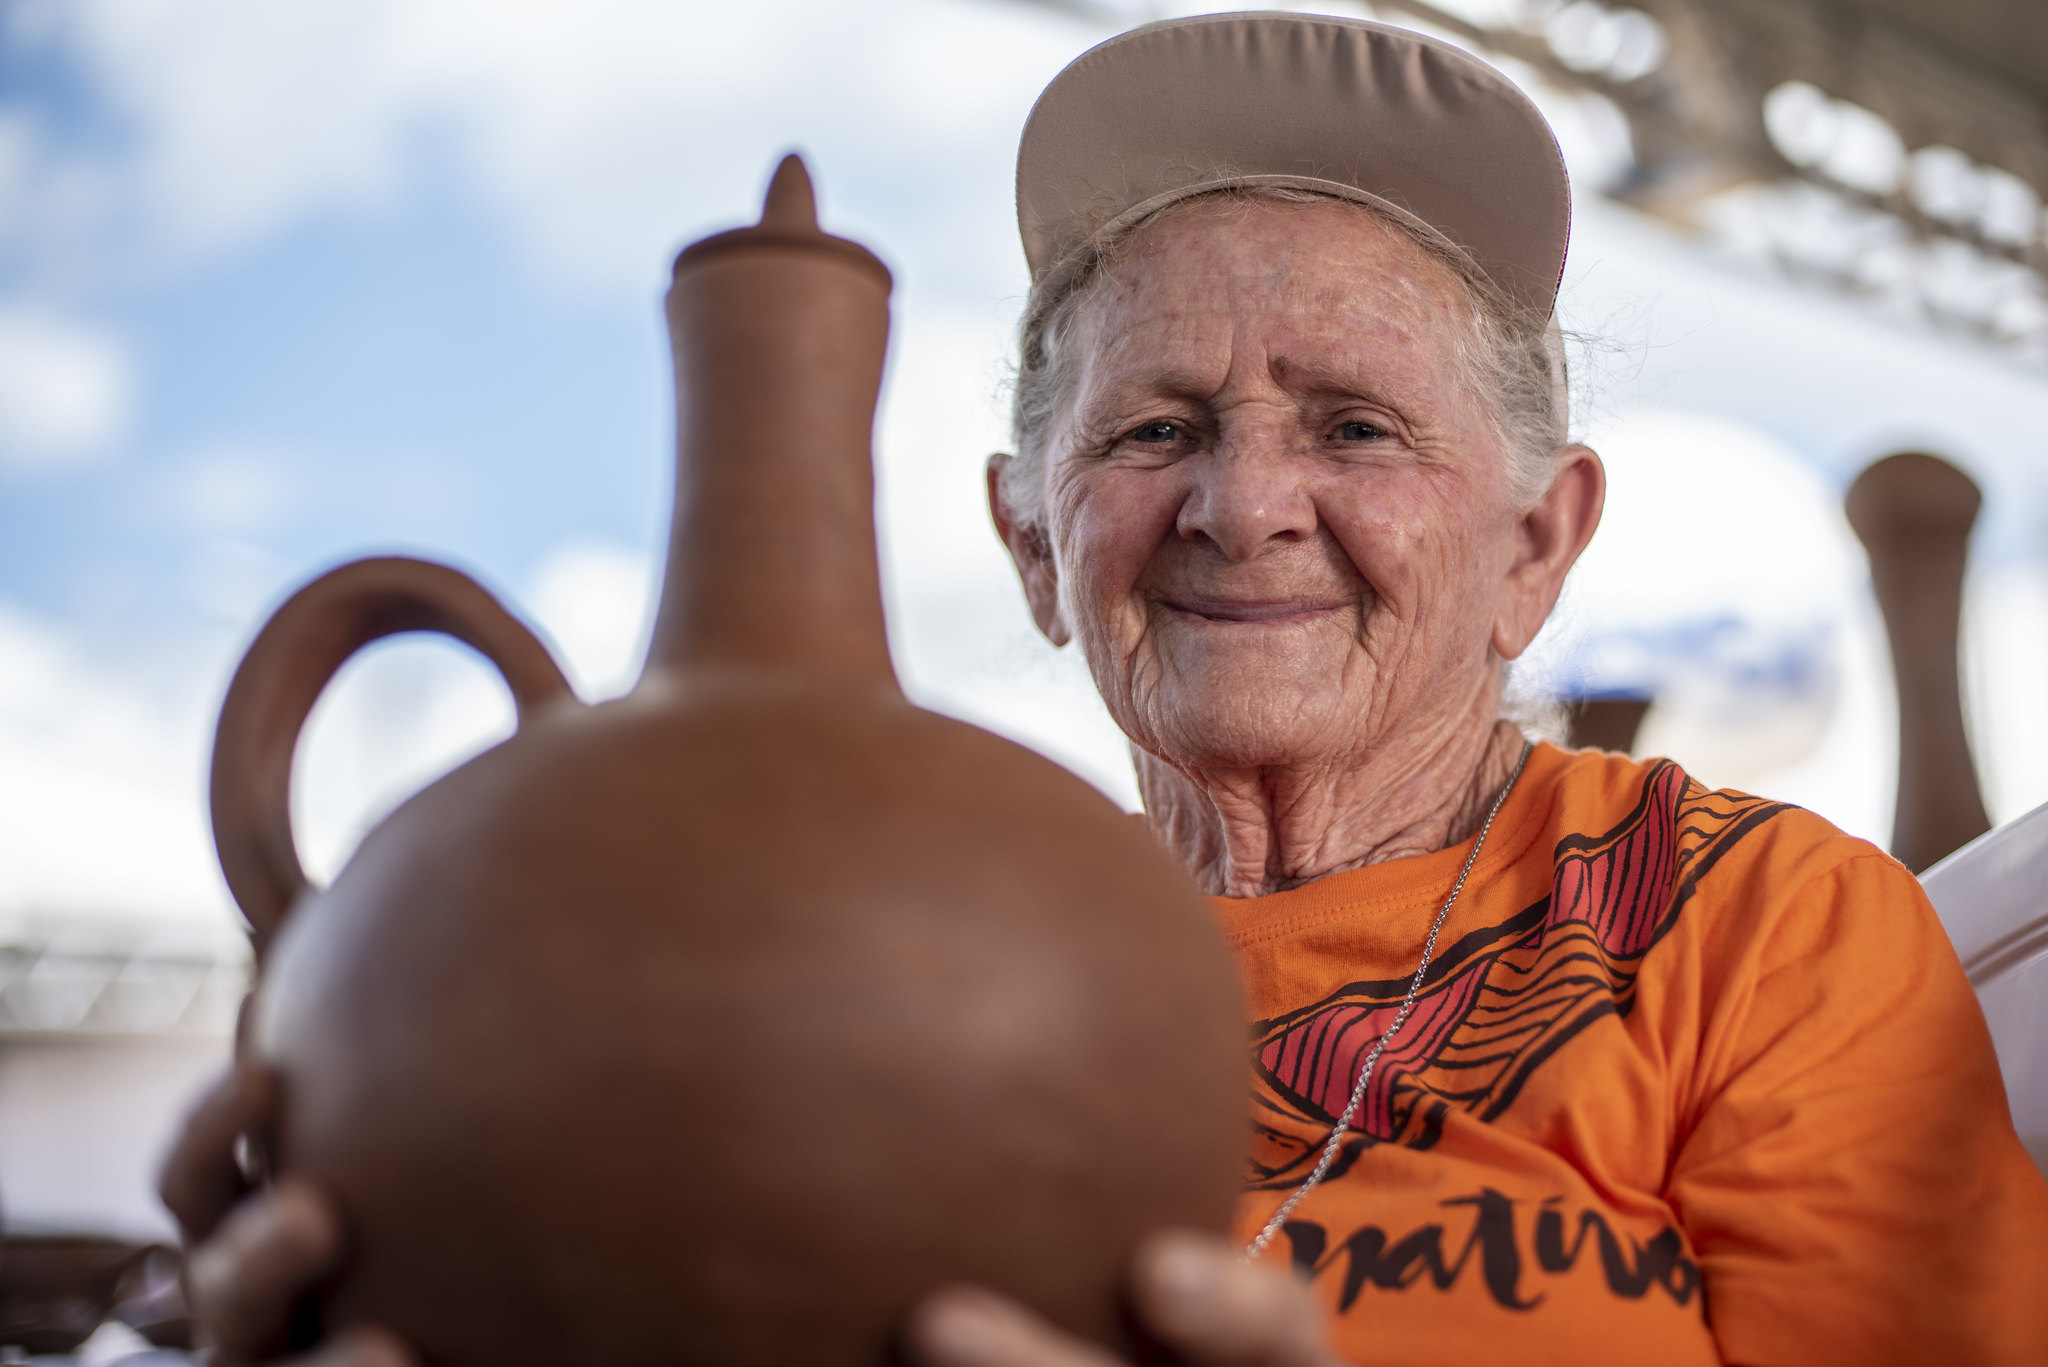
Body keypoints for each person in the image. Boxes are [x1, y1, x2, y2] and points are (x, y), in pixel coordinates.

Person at [160, 14, 2048, 1367]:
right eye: (1157, 428)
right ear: (1029, 543)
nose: (1242, 503)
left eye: (1356, 425)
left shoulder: (1761, 930)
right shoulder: (879, 937)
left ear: (1538, 546)